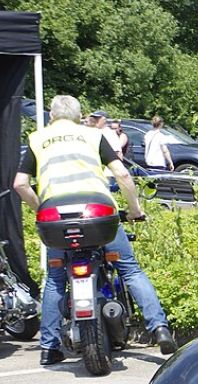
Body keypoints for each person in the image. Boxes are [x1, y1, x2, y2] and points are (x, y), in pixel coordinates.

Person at [12, 95, 175, 365]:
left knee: (54, 279)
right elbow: (123, 175)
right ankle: (159, 329)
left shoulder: (37, 139)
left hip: (56, 218)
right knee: (130, 270)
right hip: (97, 214)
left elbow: (20, 184)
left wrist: (42, 208)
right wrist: (135, 210)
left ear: (51, 116)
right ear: (79, 117)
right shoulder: (92, 135)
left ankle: (49, 347)